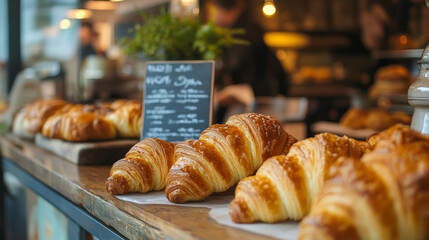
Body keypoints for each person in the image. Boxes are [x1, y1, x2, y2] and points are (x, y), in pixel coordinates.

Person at [205, 0, 289, 122]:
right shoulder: (247, 28)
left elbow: (238, 67)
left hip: (257, 104)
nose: (210, 18)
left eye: (212, 12)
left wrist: (223, 93)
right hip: (259, 101)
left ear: (224, 10)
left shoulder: (244, 31)